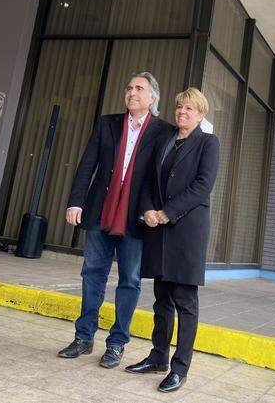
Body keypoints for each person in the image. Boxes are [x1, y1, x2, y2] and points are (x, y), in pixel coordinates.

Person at [57, 71, 173, 370]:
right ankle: (83, 338)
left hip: (135, 218)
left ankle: (117, 343)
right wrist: (75, 201)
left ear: (152, 97)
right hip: (99, 212)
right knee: (92, 274)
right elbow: (87, 164)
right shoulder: (107, 123)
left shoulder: (163, 131)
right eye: (129, 87)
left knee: (129, 281)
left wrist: (158, 211)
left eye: (139, 88)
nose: (132, 92)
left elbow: (162, 178)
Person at [125, 87, 220, 393]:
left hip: (185, 231)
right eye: (179, 108)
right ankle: (157, 357)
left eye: (189, 109)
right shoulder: (165, 141)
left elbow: (203, 186)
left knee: (185, 302)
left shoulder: (208, 142)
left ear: (200, 114)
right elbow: (149, 180)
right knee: (161, 298)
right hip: (158, 230)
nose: (182, 113)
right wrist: (148, 210)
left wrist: (166, 212)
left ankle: (180, 368)